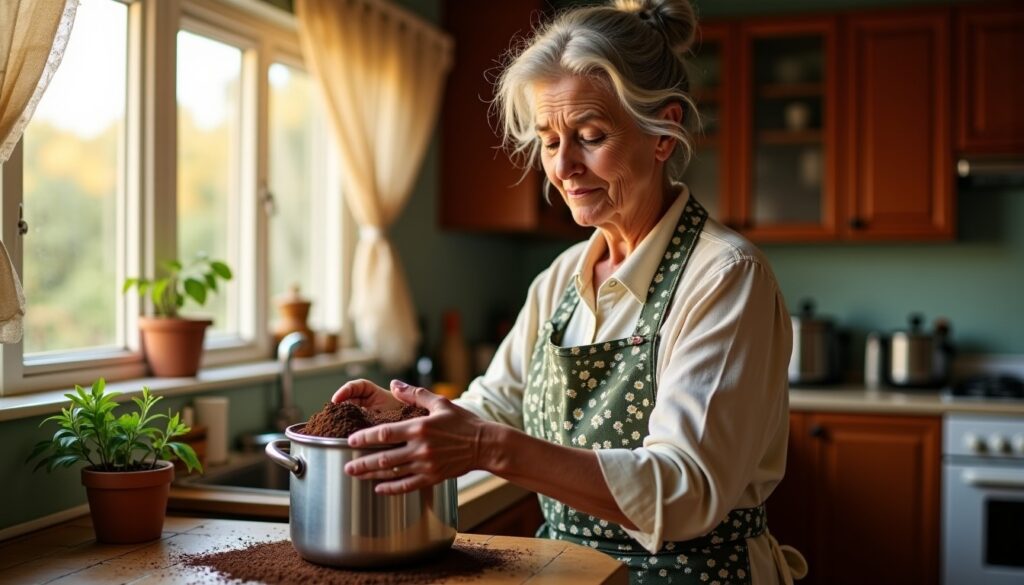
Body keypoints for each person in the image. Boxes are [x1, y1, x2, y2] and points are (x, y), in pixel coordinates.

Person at [333, 0, 807, 582]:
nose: (563, 167)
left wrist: (488, 447)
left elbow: (685, 492)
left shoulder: (725, 277)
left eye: (590, 136)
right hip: (570, 572)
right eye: (549, 141)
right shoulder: (560, 279)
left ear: (664, 133)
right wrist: (408, 418)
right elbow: (495, 406)